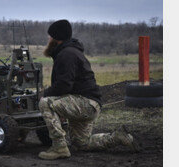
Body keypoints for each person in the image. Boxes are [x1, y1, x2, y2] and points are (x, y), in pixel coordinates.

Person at [38, 19, 140, 160]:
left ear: (56, 38)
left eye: (50, 36)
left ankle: (59, 148)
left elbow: (63, 85)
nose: (48, 39)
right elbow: (68, 86)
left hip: (84, 103)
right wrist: (60, 106)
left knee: (45, 102)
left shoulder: (66, 54)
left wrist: (45, 94)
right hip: (90, 104)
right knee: (82, 143)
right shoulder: (71, 52)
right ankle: (117, 137)